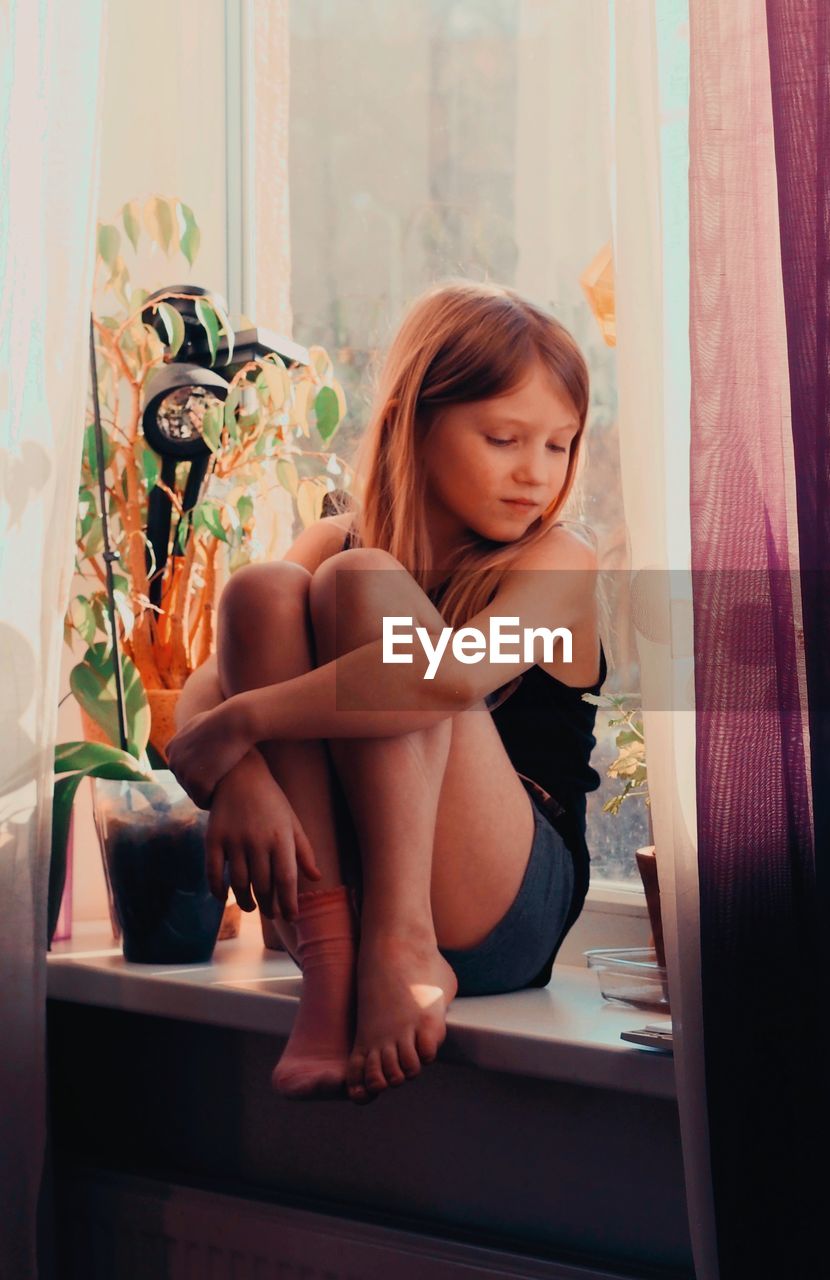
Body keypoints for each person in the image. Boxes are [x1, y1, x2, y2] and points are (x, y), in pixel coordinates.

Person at [167, 280, 607, 1107]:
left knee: (364, 583)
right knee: (264, 590)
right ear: (414, 418)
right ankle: (333, 965)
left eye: (560, 446)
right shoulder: (336, 529)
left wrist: (242, 728)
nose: (535, 475)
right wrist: (240, 776)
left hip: (497, 909)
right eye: (505, 438)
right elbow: (200, 692)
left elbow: (444, 679)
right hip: (348, 904)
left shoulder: (560, 564)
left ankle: (404, 944)